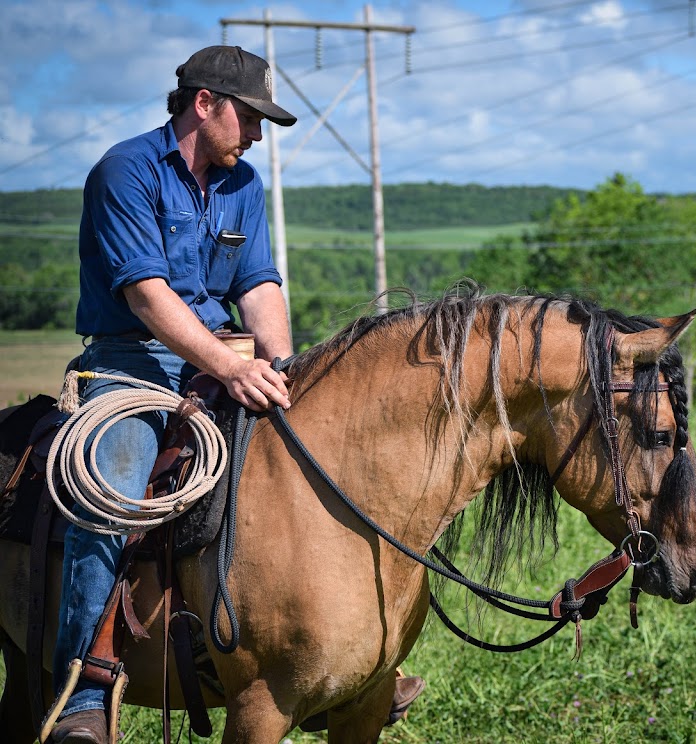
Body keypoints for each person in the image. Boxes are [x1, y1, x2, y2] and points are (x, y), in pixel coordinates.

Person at [49, 46, 422, 743]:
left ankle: (347, 662)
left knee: (320, 468)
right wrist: (227, 364)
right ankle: (82, 690)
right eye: (249, 118)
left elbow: (259, 285)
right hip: (129, 365)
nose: (255, 135)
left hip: (228, 360)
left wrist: (282, 367)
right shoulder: (125, 172)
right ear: (204, 103)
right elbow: (146, 295)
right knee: (112, 492)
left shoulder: (242, 183)